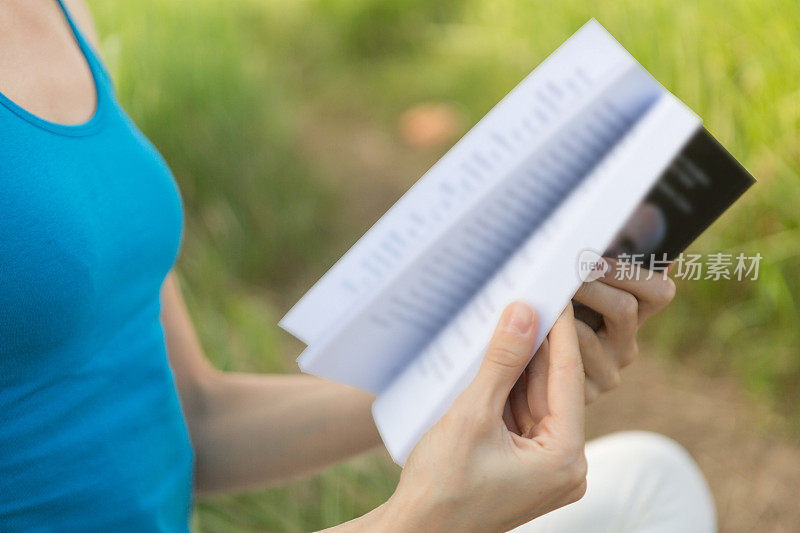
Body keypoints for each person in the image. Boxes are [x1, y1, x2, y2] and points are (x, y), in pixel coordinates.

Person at [0, 1, 715, 531]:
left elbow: (192, 415)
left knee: (652, 481)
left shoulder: (58, 13)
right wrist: (419, 519)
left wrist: (467, 372)